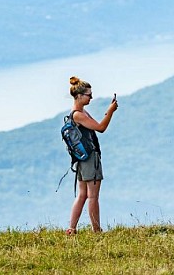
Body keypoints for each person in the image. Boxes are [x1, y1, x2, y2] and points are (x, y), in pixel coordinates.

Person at [66, 76, 119, 234]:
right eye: (89, 95)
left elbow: (96, 125)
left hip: (82, 158)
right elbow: (101, 128)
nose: (91, 97)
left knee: (82, 194)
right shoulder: (79, 115)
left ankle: (72, 228)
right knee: (93, 196)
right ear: (80, 96)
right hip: (90, 158)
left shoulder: (78, 112)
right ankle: (96, 230)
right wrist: (110, 112)